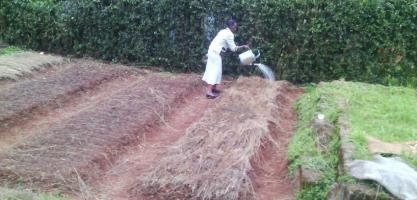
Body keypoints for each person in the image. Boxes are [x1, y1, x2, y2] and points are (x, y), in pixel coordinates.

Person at [202, 19, 249, 99]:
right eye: (234, 26)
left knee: (216, 71)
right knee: (214, 72)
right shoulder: (229, 34)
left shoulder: (223, 31)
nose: (235, 28)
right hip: (215, 53)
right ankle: (209, 92)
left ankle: (213, 89)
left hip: (212, 52)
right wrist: (243, 47)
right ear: (230, 26)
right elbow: (233, 48)